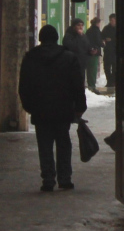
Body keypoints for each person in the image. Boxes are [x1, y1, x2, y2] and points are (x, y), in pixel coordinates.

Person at [20, 24, 87, 192]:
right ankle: (65, 178)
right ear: (57, 38)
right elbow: (77, 85)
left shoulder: (31, 57)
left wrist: (29, 107)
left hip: (40, 109)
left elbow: (24, 86)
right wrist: (79, 106)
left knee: (44, 145)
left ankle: (48, 179)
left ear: (40, 39)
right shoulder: (69, 57)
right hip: (63, 108)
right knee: (63, 143)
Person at [61, 18, 94, 93]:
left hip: (82, 63)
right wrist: (80, 37)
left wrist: (91, 51)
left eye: (82, 25)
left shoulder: (83, 36)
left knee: (81, 82)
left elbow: (87, 46)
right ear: (73, 26)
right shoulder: (69, 36)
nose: (80, 27)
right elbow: (72, 46)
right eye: (78, 25)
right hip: (72, 63)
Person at [85, 17, 104, 94]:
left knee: (90, 70)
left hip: (88, 52)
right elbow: (98, 41)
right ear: (97, 23)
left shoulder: (89, 30)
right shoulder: (96, 31)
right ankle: (92, 86)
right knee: (93, 70)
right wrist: (103, 44)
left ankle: (91, 85)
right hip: (94, 52)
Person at [100, 13, 117, 82]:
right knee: (106, 67)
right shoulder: (106, 28)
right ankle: (109, 81)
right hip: (107, 51)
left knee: (115, 68)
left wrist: (112, 39)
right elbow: (101, 37)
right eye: (110, 20)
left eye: (112, 20)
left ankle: (113, 81)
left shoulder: (119, 29)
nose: (111, 22)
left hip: (115, 51)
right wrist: (104, 40)